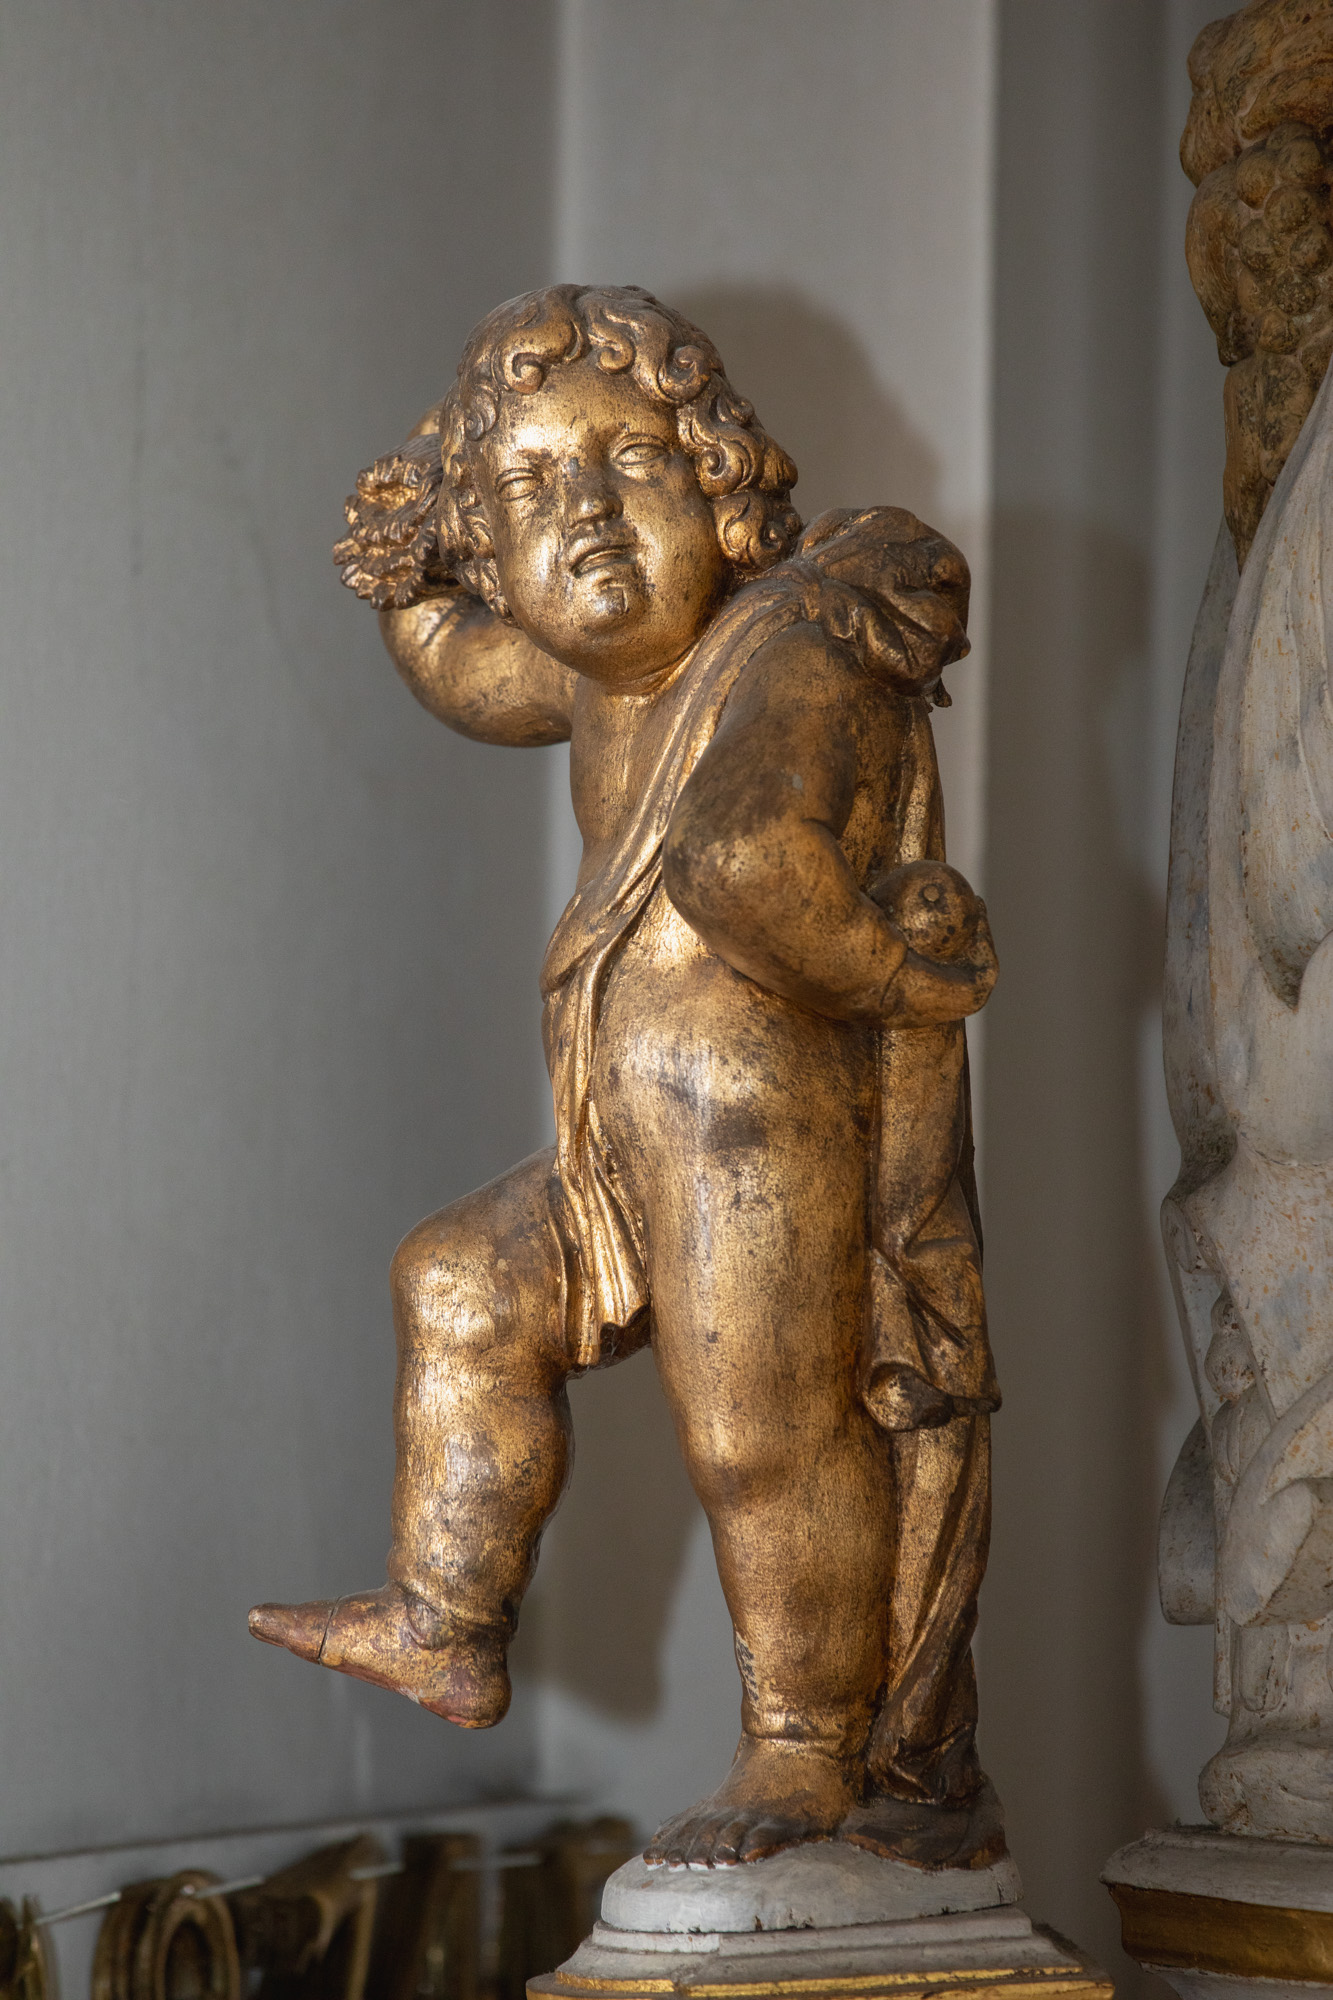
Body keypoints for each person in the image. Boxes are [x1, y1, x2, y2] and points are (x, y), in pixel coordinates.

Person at [251, 286, 1002, 1869]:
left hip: (752, 1119)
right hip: (620, 1126)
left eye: (631, 463)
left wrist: (904, 980)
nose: (582, 514)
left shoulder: (785, 654)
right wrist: (406, 574)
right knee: (459, 1285)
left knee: (761, 1437)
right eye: (529, 491)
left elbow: (744, 857)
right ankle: (444, 1618)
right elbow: (471, 675)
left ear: (723, 491)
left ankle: (806, 1741)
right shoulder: (603, 680)